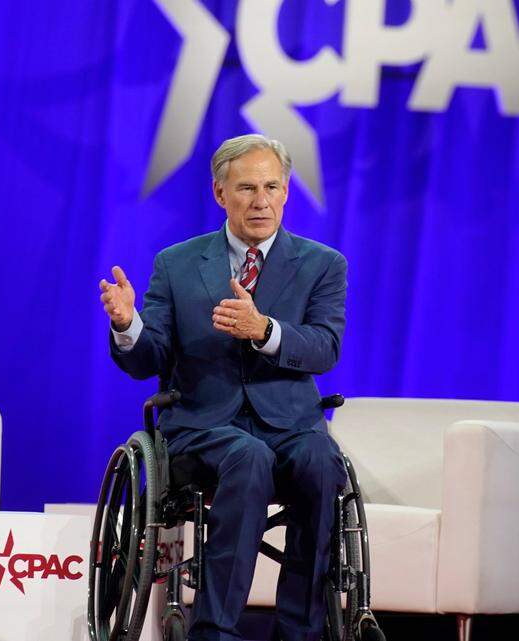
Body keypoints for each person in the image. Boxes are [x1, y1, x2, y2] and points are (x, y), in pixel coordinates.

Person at [99, 134, 348, 641]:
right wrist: (129, 326)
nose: (261, 201)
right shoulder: (178, 264)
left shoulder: (323, 264)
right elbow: (152, 358)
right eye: (247, 188)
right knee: (247, 456)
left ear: (286, 194)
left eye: (272, 187)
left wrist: (265, 330)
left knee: (323, 464)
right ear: (219, 193)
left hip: (291, 425)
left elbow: (325, 346)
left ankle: (300, 631)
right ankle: (215, 632)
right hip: (203, 427)